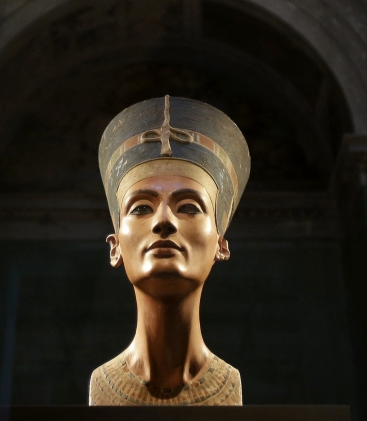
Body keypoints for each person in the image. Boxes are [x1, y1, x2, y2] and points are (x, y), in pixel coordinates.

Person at [89, 95, 251, 406]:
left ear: (221, 244)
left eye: (189, 207)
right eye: (140, 208)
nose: (164, 221)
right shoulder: (101, 383)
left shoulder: (232, 380)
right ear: (115, 247)